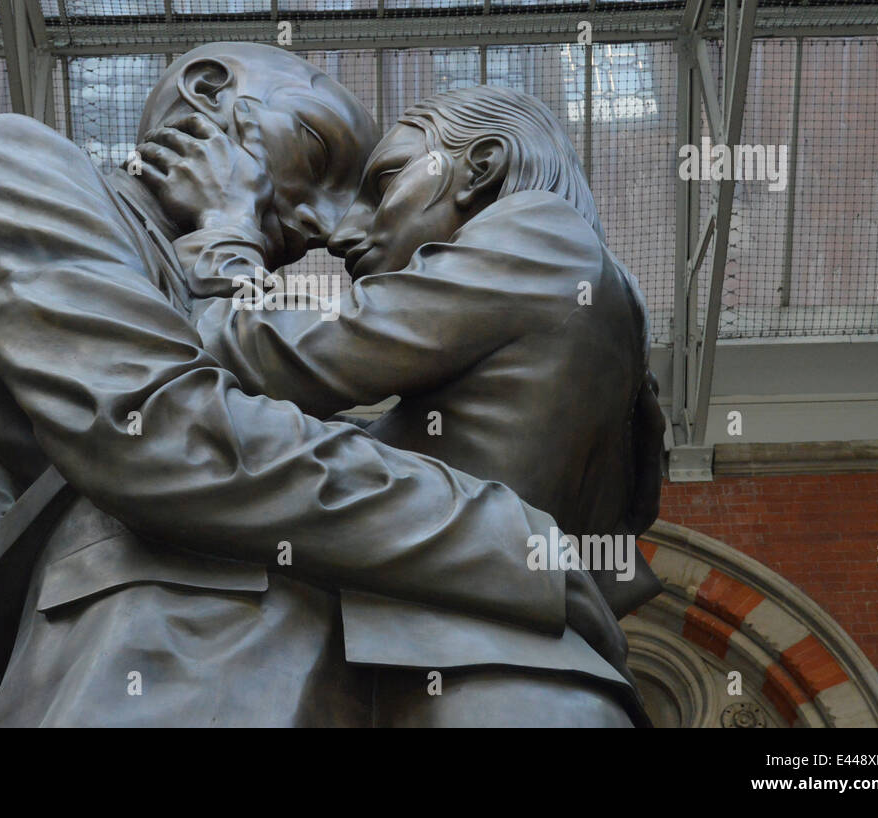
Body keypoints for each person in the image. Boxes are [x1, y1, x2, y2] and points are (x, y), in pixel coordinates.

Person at [0, 44, 631, 727]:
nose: (326, 227)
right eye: (317, 155)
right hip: (163, 675)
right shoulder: (17, 168)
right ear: (208, 93)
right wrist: (508, 542)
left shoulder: (541, 258)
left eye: (358, 193)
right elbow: (169, 433)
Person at [145, 85, 664, 725]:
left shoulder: (541, 232)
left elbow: (269, 354)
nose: (340, 234)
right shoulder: (607, 315)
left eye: (383, 183)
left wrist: (226, 226)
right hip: (511, 672)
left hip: (478, 674)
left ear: (482, 168)